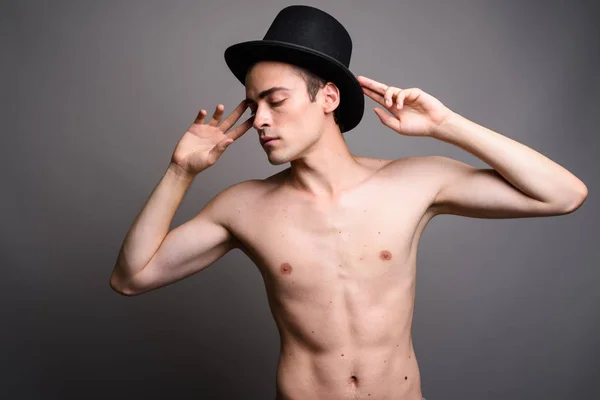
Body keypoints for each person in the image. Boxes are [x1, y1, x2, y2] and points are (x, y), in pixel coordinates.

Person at [109, 5, 588, 400]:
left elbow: (564, 194)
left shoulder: (414, 181)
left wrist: (446, 125)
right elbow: (131, 278)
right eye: (254, 106)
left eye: (276, 100)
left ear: (330, 98)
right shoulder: (244, 206)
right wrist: (181, 172)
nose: (259, 121)